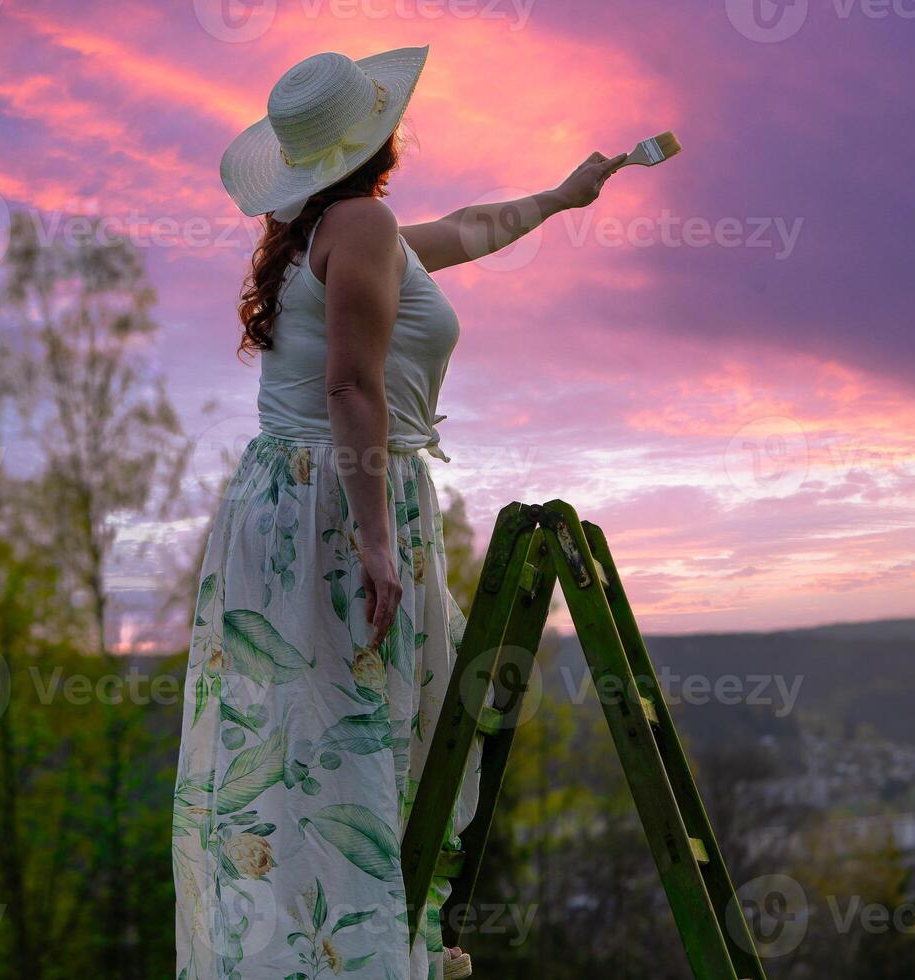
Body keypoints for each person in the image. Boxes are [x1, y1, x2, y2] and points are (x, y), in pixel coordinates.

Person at [172, 45, 625, 979]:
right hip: (340, 500)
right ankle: (358, 958)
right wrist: (378, 541)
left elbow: (470, 226)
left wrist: (563, 195)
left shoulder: (331, 230)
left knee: (327, 731)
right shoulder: (362, 225)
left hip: (290, 499)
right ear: (376, 138)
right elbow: (350, 386)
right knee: (349, 730)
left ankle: (342, 949)